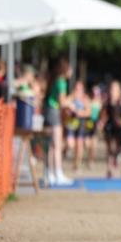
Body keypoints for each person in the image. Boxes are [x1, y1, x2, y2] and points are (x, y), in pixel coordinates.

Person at [43, 57, 74, 186]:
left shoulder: (55, 80)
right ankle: (58, 173)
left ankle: (48, 173)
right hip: (53, 112)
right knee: (57, 144)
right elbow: (62, 102)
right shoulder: (62, 82)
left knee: (50, 145)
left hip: (48, 111)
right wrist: (72, 101)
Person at [98, 80, 121, 179]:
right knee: (109, 148)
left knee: (117, 148)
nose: (112, 92)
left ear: (119, 91)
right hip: (109, 126)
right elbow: (103, 114)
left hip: (119, 128)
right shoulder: (106, 102)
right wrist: (101, 122)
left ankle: (117, 158)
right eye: (111, 89)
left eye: (114, 89)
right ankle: (109, 169)